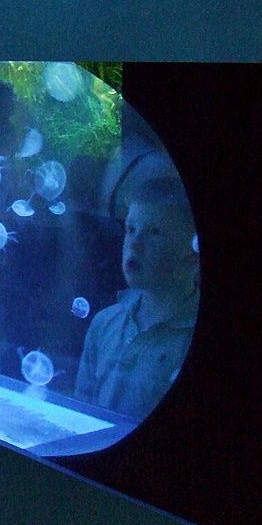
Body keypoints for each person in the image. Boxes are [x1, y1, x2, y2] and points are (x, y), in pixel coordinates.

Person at [73, 177, 200, 419]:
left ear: (193, 255)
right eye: (130, 229)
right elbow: (81, 412)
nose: (135, 244)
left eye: (155, 232)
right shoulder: (104, 323)